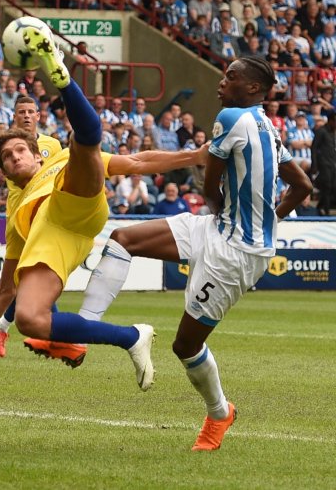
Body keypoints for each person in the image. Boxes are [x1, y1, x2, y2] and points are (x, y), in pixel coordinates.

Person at [0, 26, 204, 393]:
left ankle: (59, 74)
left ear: (34, 151)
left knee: (83, 142)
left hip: (76, 200)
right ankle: (132, 337)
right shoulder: (18, 219)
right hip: (59, 238)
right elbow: (2, 290)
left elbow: (138, 162)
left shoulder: (58, 160)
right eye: (7, 158)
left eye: (20, 151)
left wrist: (194, 155)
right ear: (5, 172)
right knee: (30, 319)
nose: (15, 158)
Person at [75, 56, 310, 451]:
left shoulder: (232, 118)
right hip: (218, 230)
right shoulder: (269, 128)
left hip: (235, 253)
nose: (221, 83)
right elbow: (302, 185)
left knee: (185, 346)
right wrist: (271, 219)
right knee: (124, 238)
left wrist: (240, 217)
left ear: (253, 88)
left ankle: (220, 413)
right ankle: (80, 331)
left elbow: (208, 188)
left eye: (230, 77)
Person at [0, 95, 63, 357]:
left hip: (46, 216)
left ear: (38, 116)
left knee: (35, 275)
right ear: (15, 116)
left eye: (30, 111)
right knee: (37, 274)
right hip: (19, 219)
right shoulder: (7, 147)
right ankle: (50, 336)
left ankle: (5, 325)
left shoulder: (52, 145)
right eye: (21, 111)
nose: (26, 115)